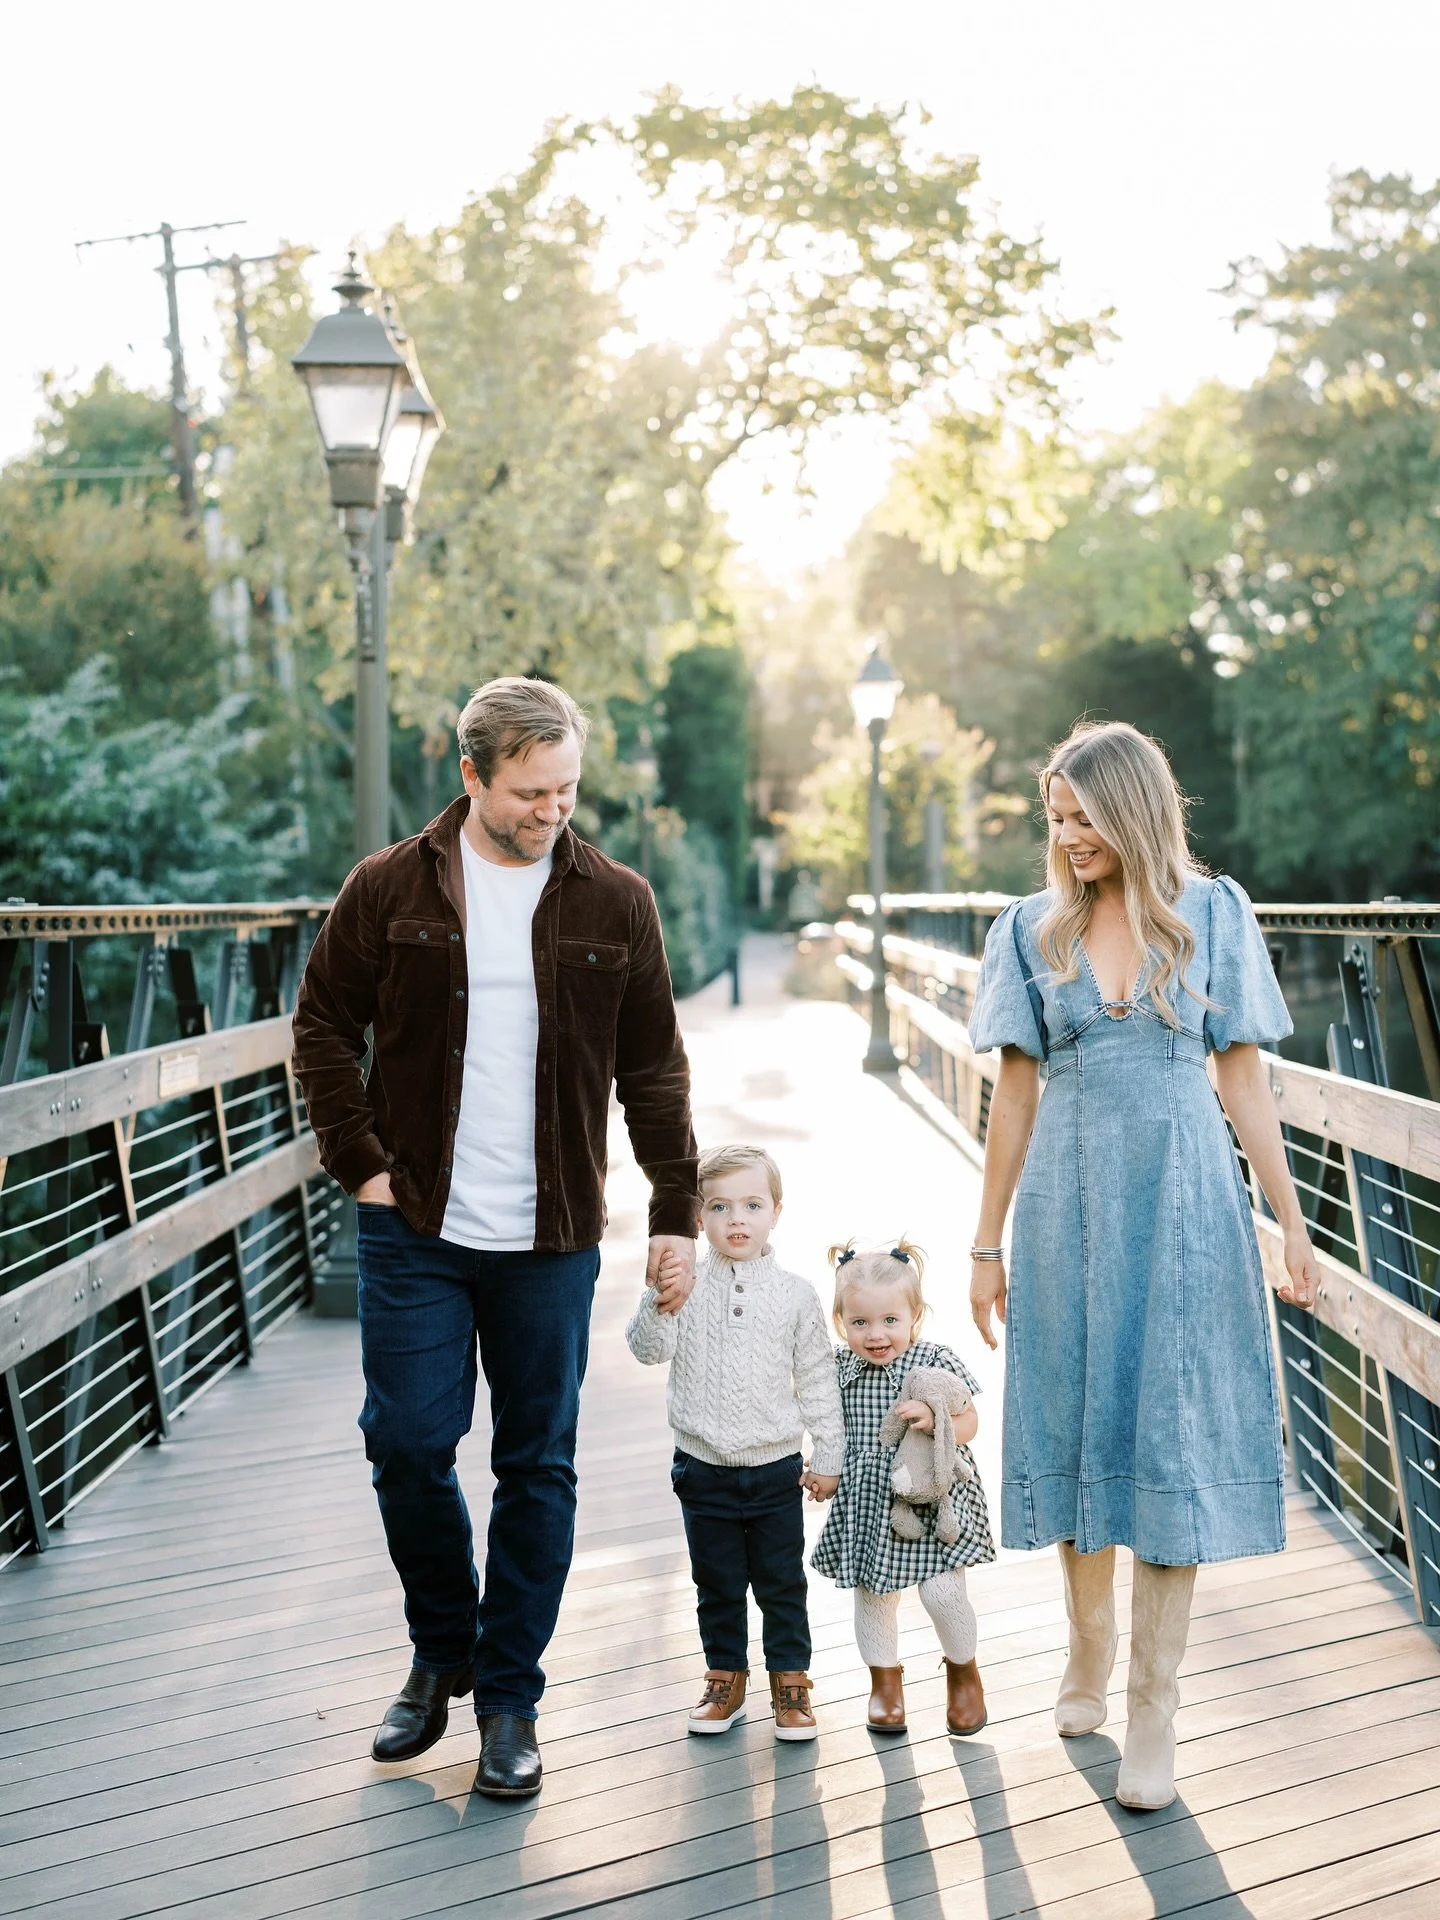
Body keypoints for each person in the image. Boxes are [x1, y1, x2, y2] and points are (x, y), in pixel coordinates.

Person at [292, 676, 699, 1800]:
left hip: (552, 1232)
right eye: (529, 792)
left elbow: (655, 1067)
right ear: (469, 775)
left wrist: (675, 1214)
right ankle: (443, 1647)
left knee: (538, 1464)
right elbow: (323, 1023)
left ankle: (510, 1698)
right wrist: (362, 1166)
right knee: (408, 1444)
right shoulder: (387, 887)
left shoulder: (617, 902)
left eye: (566, 789)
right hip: (414, 1223)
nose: (552, 811)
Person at [967, 718, 1320, 1812]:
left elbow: (1246, 1080)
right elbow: (1014, 1096)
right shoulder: (1027, 930)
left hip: (1186, 1211)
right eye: (1057, 818)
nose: (1067, 836)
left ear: (1135, 810)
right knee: (1080, 1426)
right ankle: (1087, 1648)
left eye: (1084, 817)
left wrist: (1293, 1221)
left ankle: (1153, 1705)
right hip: (1067, 1211)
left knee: (1171, 1433)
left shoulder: (1216, 914)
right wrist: (985, 1242)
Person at [627, 1143, 843, 1740]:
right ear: (698, 1217)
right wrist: (661, 1298)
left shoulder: (796, 1294)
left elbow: (819, 1379)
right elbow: (648, 1349)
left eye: (752, 1205)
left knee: (781, 1582)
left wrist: (828, 1457)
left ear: (776, 1211)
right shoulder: (687, 1284)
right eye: (720, 1207)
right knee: (715, 1582)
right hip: (703, 1468)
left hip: (776, 1469)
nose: (737, 1219)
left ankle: (791, 1683)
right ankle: (725, 1678)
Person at [812, 1239, 995, 1739]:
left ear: (915, 1315)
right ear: (840, 1322)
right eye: (860, 1323)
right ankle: (885, 1683)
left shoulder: (934, 1362)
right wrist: (820, 1464)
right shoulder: (839, 1369)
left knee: (942, 1593)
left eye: (890, 1321)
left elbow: (971, 1420)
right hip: (870, 1500)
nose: (876, 1335)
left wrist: (936, 1419)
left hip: (931, 1496)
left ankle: (963, 1672)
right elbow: (826, 1425)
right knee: (875, 1596)